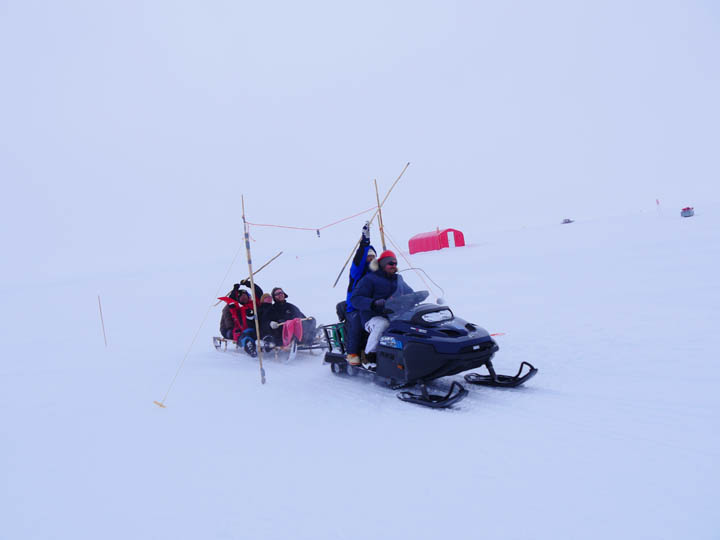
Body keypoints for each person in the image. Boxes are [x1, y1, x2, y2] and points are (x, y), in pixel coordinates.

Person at [350, 250, 413, 363]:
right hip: (372, 317)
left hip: (394, 314)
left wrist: (416, 296)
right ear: (383, 264)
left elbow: (409, 293)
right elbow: (355, 299)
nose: (394, 266)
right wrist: (373, 303)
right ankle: (369, 356)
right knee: (383, 324)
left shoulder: (398, 279)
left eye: (395, 263)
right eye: (390, 263)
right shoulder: (369, 279)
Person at [343, 221, 377, 365]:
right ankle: (353, 353)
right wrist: (365, 242)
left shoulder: (378, 274)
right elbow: (358, 260)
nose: (371, 259)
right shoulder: (357, 272)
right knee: (357, 323)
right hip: (355, 307)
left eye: (373, 256)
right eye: (368, 257)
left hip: (373, 306)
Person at [219, 280, 264, 355]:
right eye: (241, 297)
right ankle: (249, 346)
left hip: (256, 328)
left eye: (245, 296)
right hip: (243, 330)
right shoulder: (237, 308)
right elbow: (231, 302)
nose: (244, 298)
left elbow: (259, 293)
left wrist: (249, 284)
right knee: (244, 336)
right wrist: (235, 290)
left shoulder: (254, 304)